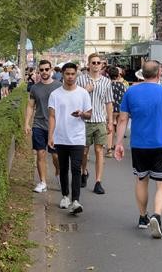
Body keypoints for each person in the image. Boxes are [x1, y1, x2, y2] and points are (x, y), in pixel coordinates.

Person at [114, 60, 162, 239]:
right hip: (161, 143)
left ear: (141, 74)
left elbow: (122, 120)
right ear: (159, 73)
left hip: (139, 144)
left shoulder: (131, 92)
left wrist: (118, 143)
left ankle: (143, 216)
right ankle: (157, 215)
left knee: (141, 180)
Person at [48, 62, 92, 215]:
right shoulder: (55, 94)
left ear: (76, 74)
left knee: (76, 169)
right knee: (63, 168)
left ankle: (76, 200)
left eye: (73, 74)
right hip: (60, 137)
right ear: (63, 75)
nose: (70, 77)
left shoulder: (83, 93)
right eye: (67, 74)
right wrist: (51, 135)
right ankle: (65, 196)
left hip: (77, 138)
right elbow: (52, 116)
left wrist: (81, 113)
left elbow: (89, 114)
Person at [76, 53, 113, 195]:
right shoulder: (81, 80)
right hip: (84, 121)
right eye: (94, 62)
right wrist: (86, 90)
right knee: (84, 151)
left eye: (98, 63)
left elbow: (109, 102)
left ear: (102, 65)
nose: (96, 65)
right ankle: (83, 171)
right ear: (89, 64)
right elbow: (75, 98)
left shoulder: (106, 82)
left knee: (99, 151)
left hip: (100, 120)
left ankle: (98, 182)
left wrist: (110, 121)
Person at [25, 60, 62, 193]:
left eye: (47, 69)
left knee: (56, 156)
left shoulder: (59, 86)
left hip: (55, 126)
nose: (44, 72)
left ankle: (58, 172)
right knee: (40, 153)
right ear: (38, 71)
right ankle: (43, 182)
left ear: (51, 69)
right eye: (42, 70)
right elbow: (30, 106)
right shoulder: (35, 88)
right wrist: (27, 123)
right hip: (38, 124)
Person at [106, 66, 127, 158]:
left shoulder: (107, 85)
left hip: (110, 109)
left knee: (110, 128)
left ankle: (109, 149)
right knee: (118, 127)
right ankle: (117, 145)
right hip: (120, 108)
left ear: (108, 75)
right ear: (118, 75)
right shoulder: (122, 85)